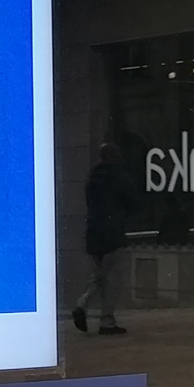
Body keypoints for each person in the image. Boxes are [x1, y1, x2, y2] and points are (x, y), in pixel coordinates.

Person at [72, 143, 143, 335]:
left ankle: (82, 304)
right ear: (114, 157)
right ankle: (106, 320)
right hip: (113, 232)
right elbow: (134, 202)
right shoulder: (119, 177)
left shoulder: (92, 178)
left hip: (93, 231)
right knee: (112, 278)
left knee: (99, 274)